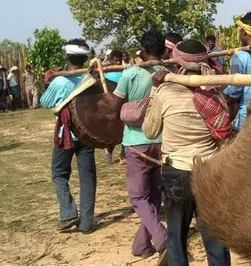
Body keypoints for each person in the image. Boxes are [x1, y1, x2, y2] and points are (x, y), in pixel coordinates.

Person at [143, 40, 232, 266]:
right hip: (209, 171)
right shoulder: (215, 94)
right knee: (215, 235)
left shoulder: (165, 92)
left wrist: (154, 90)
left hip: (176, 171)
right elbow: (220, 133)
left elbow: (150, 130)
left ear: (178, 60)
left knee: (176, 236)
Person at [109, 31, 167, 260]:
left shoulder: (130, 74)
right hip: (161, 142)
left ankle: (163, 239)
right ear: (163, 50)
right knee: (151, 197)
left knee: (138, 197)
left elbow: (115, 106)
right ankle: (142, 245)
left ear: (142, 49)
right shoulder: (167, 73)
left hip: (136, 143)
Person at [40, 39, 97, 234]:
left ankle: (68, 213)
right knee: (88, 178)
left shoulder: (60, 81)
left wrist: (48, 84)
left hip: (66, 135)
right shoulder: (91, 79)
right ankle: (87, 223)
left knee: (59, 174)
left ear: (67, 57)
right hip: (87, 134)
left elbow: (45, 102)